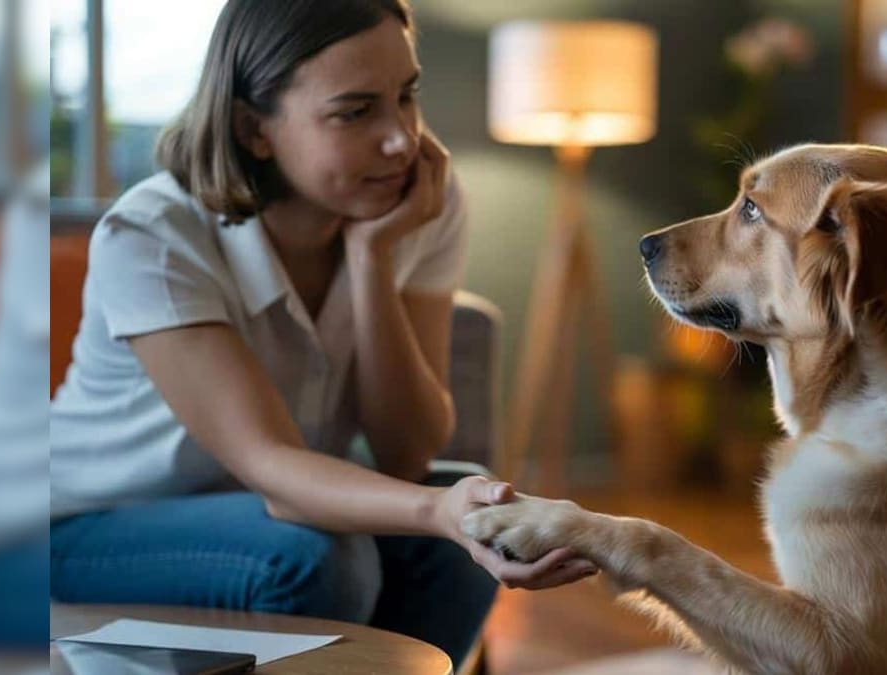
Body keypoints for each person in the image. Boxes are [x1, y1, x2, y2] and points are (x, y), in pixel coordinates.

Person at [49, 0, 594, 664]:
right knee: (317, 557)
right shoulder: (154, 235)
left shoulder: (422, 205)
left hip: (268, 508)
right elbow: (271, 467)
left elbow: (407, 452)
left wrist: (373, 260)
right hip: (80, 530)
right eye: (356, 111)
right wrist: (440, 510)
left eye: (406, 95)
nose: (400, 138)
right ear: (254, 129)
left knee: (450, 538)